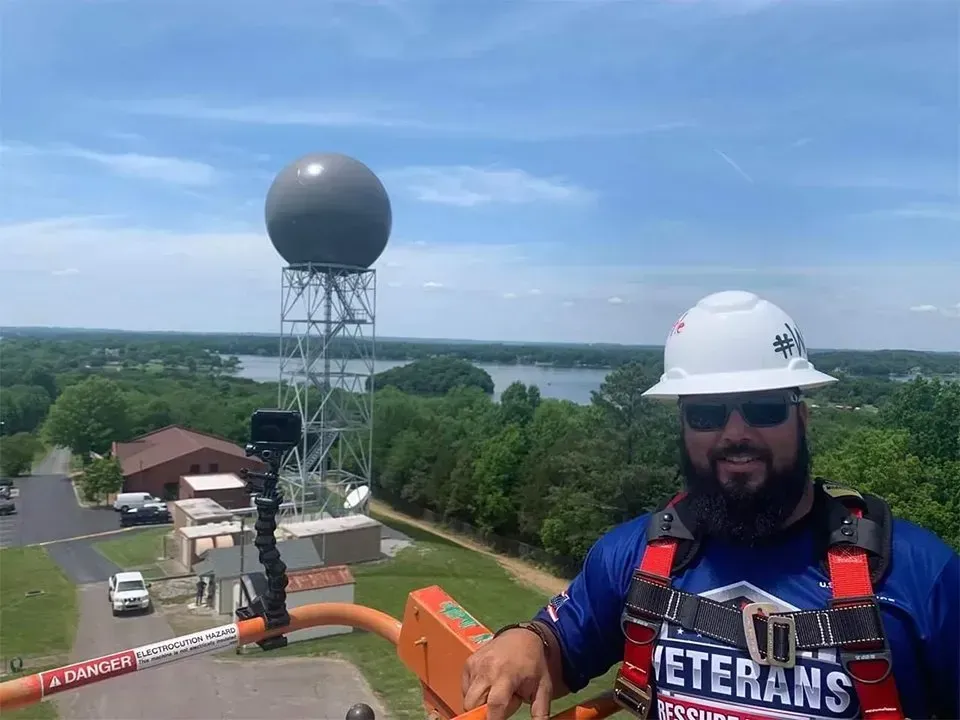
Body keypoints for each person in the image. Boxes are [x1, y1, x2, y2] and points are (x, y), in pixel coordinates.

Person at [461, 291, 959, 720]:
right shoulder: (638, 556)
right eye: (706, 413)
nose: (736, 433)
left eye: (764, 408)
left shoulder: (915, 576)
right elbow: (559, 647)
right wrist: (527, 638)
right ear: (682, 428)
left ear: (803, 418)